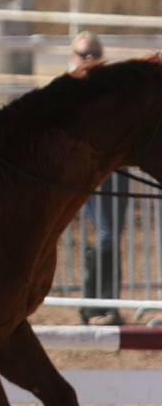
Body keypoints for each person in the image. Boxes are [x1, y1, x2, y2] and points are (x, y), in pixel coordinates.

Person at [69, 31, 128, 325]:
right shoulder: (67, 92)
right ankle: (98, 307)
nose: (89, 59)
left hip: (115, 171)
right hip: (89, 173)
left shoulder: (112, 88)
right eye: (83, 54)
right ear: (73, 58)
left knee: (109, 238)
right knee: (105, 237)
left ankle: (101, 307)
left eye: (94, 53)